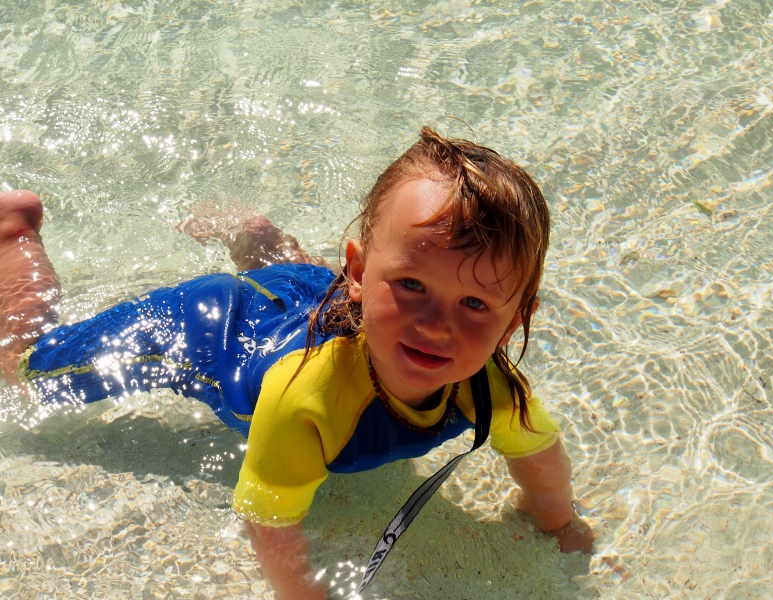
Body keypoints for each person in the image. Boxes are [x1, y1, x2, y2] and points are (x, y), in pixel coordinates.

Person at [0, 127, 594, 599]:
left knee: (295, 276)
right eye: (412, 284)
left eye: (475, 304)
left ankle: (254, 234)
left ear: (513, 322)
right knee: (30, 371)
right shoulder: (303, 399)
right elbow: (269, 520)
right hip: (214, 329)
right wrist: (304, 594)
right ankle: (12, 235)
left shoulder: (491, 385)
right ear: (358, 272)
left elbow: (539, 456)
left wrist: (558, 523)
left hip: (318, 295)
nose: (438, 326)